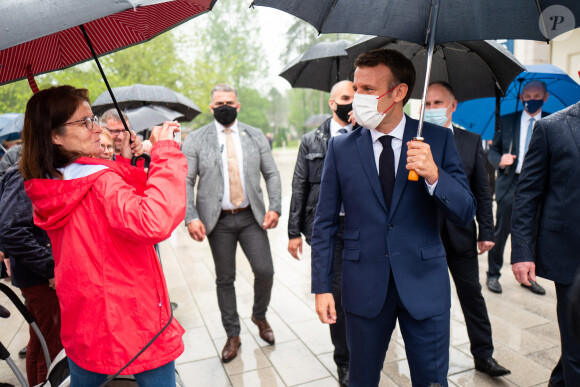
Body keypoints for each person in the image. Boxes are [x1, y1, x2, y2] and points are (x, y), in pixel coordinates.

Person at [311, 49, 476, 387]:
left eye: (368, 90)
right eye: (357, 89)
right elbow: (324, 222)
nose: (358, 98)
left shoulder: (438, 140)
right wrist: (321, 287)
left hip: (424, 284)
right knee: (361, 380)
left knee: (431, 381)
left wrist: (434, 175)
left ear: (399, 92)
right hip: (363, 286)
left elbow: (465, 210)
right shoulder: (341, 148)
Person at [20, 85, 186, 386]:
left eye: (92, 118)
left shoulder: (52, 184)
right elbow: (154, 222)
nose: (97, 129)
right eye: (85, 122)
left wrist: (130, 163)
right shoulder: (100, 182)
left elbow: (106, 220)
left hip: (86, 319)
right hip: (133, 314)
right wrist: (166, 153)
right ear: (54, 135)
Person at [182, 83, 281, 363]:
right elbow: (187, 180)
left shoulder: (255, 135)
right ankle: (233, 334)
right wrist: (191, 216)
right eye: (218, 103)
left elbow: (272, 173)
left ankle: (259, 314)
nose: (224, 107)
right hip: (218, 221)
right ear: (211, 107)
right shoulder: (197, 139)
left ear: (237, 106)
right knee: (225, 279)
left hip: (251, 218)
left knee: (265, 270)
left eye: (229, 102)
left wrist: (275, 206)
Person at [424, 82, 510, 377]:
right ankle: (432, 362)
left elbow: (483, 191)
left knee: (472, 295)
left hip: (461, 235)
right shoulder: (417, 139)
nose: (433, 109)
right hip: (426, 236)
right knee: (429, 303)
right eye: (428, 104)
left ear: (453, 106)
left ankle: (484, 356)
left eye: (438, 103)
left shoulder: (471, 141)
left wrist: (486, 231)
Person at [288, 80, 354, 387]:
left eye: (354, 98)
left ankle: (367, 347)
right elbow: (299, 185)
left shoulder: (366, 134)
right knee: (335, 296)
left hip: (361, 228)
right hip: (327, 229)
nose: (349, 103)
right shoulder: (312, 140)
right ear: (331, 103)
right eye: (343, 98)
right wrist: (293, 232)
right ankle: (344, 361)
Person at [511, 101, 580, 386]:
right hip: (570, 256)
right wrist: (522, 251)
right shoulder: (552, 127)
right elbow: (528, 193)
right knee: (577, 349)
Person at [0, 164, 62, 385]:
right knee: (53, 346)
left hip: (38, 273)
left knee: (40, 341)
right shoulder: (25, 171)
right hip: (41, 277)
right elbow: (11, 230)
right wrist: (50, 267)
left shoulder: (33, 168)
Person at [486, 80, 549, 295]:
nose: (532, 101)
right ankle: (493, 274)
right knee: (501, 231)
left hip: (538, 187)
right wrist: (500, 159)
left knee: (531, 233)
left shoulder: (552, 122)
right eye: (528, 97)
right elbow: (492, 151)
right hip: (511, 182)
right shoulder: (507, 121)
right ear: (521, 98)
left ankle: (528, 277)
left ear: (545, 97)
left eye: (537, 96)